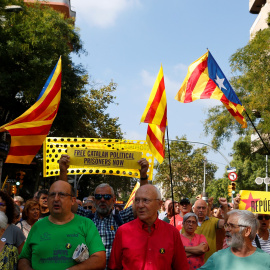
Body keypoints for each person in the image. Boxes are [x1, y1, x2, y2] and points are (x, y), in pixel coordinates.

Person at [59, 154, 150, 268]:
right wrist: (63, 171)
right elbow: (66, 201)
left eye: (106, 197)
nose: (102, 200)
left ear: (113, 199)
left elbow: (141, 201)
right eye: (98, 197)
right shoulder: (86, 218)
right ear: (94, 199)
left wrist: (143, 175)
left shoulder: (121, 218)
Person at [18, 180, 106, 270]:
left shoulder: (86, 224)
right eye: (52, 195)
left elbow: (99, 260)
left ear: (73, 200)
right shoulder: (37, 226)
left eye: (62, 195)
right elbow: (23, 259)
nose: (56, 199)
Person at [108, 184, 189, 270]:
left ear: (159, 204)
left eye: (145, 200)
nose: (140, 205)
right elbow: (114, 266)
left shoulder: (172, 233)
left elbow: (181, 266)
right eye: (137, 201)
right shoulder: (123, 231)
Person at [198, 210, 270, 269]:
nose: (226, 229)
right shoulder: (217, 258)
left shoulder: (266, 260)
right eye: (227, 225)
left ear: (247, 231)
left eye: (232, 226)